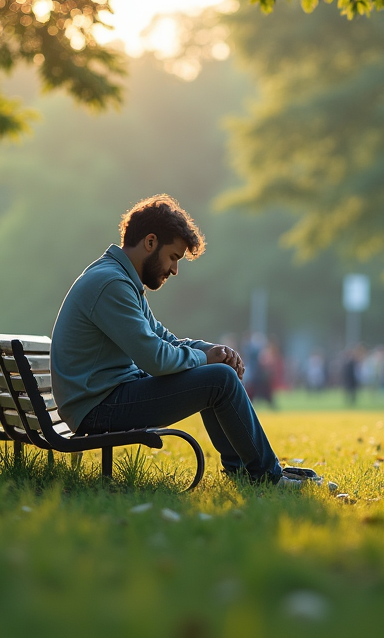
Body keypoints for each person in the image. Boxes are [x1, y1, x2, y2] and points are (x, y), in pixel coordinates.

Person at [50, 194, 321, 487]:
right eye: (173, 257)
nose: (174, 270)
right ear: (150, 242)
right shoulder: (112, 284)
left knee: (216, 375)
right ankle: (267, 477)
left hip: (103, 397)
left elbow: (162, 338)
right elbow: (155, 358)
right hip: (97, 408)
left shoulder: (119, 279)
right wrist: (207, 360)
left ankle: (246, 470)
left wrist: (208, 350)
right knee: (219, 379)